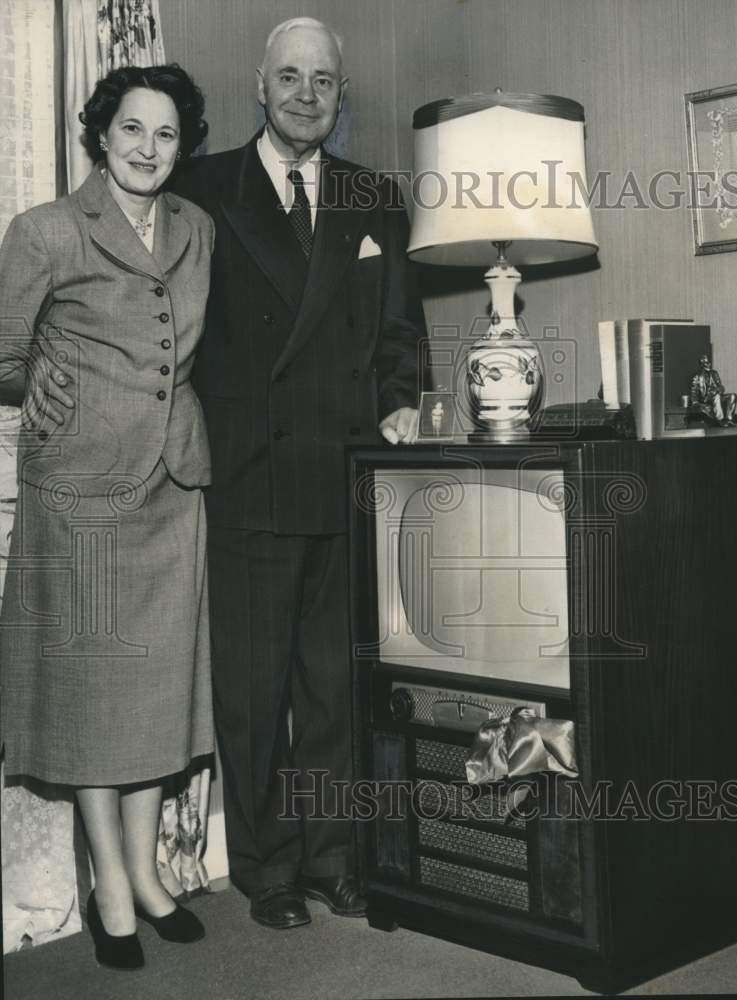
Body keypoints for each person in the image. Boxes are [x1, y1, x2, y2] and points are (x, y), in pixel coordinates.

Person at [174, 17, 425, 930]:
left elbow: (401, 328)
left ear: (341, 93)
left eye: (323, 80)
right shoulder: (204, 187)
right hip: (248, 473)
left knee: (332, 686)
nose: (306, 94)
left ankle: (331, 858)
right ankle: (267, 868)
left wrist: (400, 404)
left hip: (343, 468)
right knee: (252, 689)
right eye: (290, 77)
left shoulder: (373, 195)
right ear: (260, 86)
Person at [0, 64, 215, 970]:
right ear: (100, 133)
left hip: (171, 484)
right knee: (94, 691)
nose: (147, 149)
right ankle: (108, 888)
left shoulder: (198, 230)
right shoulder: (45, 228)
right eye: (132, 129)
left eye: (166, 135)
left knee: (155, 690)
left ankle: (146, 868)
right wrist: (33, 373)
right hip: (81, 487)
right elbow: (4, 353)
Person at [689, 354, 737, 426]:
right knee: (716, 396)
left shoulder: (714, 373)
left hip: (716, 395)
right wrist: (695, 403)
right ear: (702, 364)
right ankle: (720, 420)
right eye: (706, 363)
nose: (709, 364)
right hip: (706, 399)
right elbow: (694, 391)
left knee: (733, 396)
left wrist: (717, 390)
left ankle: (728, 419)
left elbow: (721, 387)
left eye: (709, 363)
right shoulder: (697, 377)